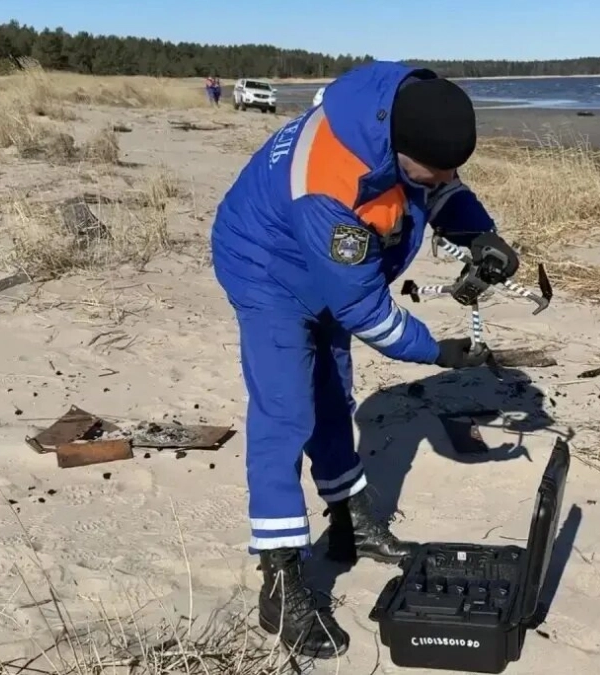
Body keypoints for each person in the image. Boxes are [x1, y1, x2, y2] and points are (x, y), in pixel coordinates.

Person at [209, 61, 520, 659]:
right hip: (266, 270)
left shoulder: (405, 112)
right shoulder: (329, 184)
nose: (443, 180)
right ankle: (280, 579)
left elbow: (438, 185)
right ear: (396, 150)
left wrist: (481, 233)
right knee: (285, 415)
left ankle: (349, 523)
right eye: (431, 172)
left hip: (323, 270)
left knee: (333, 394)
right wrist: (438, 351)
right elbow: (365, 312)